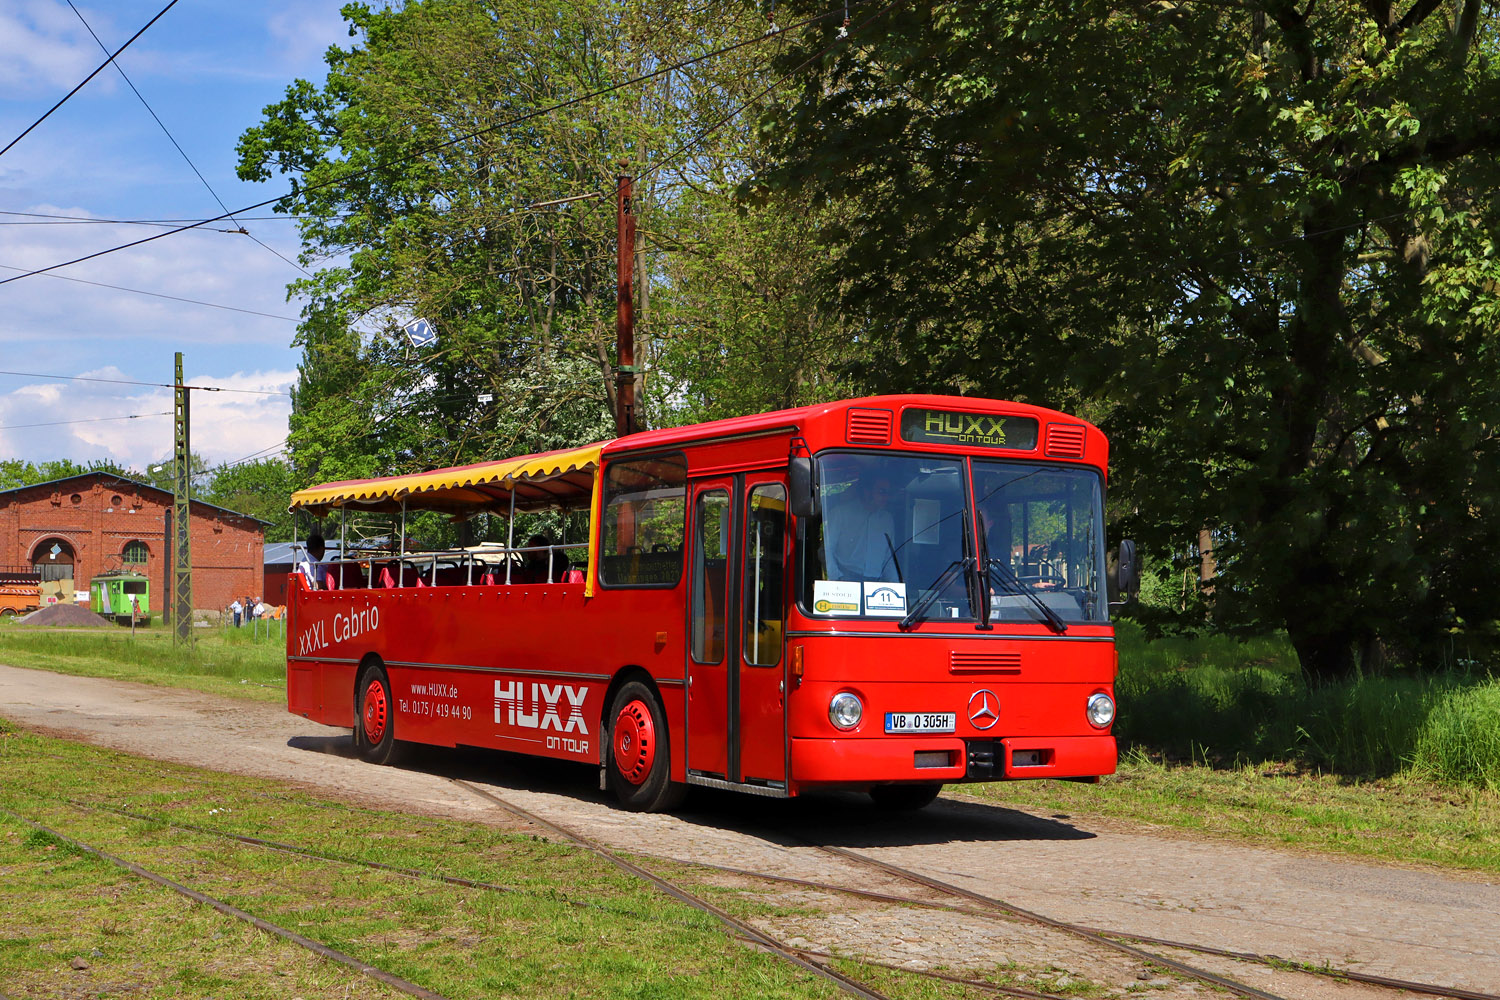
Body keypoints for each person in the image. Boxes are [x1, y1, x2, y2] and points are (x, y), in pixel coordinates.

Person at [823, 471, 898, 581]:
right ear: (867, 492)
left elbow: (889, 558)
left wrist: (896, 585)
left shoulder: (887, 519)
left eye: (888, 493)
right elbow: (826, 550)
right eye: (882, 492)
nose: (886, 497)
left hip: (876, 583)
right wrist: (837, 578)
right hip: (846, 579)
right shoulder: (840, 513)